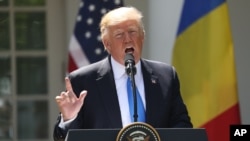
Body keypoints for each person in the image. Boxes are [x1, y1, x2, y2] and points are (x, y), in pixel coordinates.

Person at [53, 6, 192, 141]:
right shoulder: (82, 81)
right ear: (107, 44)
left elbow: (182, 126)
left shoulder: (166, 76)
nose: (127, 39)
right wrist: (69, 119)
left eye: (132, 32)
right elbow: (63, 138)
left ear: (142, 36)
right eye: (119, 34)